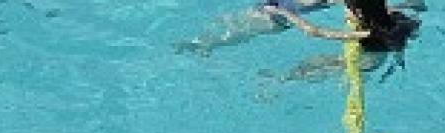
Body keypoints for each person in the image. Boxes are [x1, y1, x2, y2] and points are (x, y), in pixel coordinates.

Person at [176, 0, 419, 58]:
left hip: (369, 56)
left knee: (313, 68)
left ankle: (203, 45)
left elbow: (314, 31)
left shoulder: (369, 33)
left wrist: (282, 12)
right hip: (377, 46)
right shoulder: (395, 18)